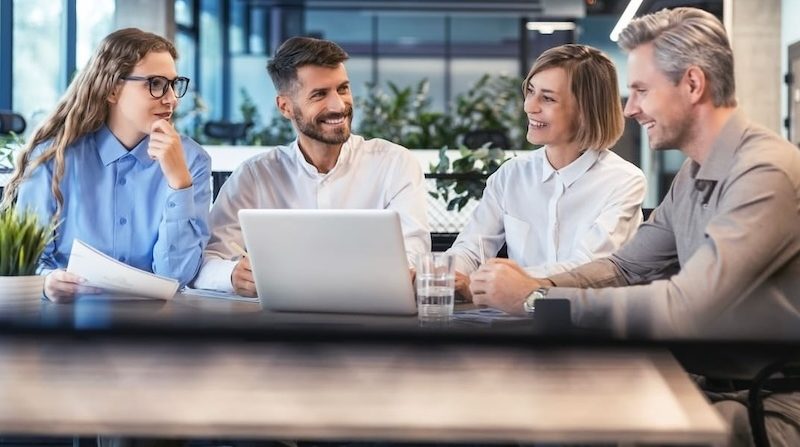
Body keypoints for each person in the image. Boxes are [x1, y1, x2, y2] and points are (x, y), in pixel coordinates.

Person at [470, 7, 800, 446]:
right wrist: (533, 283)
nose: (629, 109)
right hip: (706, 384)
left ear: (693, 84)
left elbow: (688, 307)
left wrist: (537, 298)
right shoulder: (694, 172)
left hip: (766, 403)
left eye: (642, 90)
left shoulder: (765, 172)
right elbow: (625, 268)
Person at [192, 37, 430, 296]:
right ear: (285, 107)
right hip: (281, 327)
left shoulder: (395, 164)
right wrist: (232, 275)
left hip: (372, 321)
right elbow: (206, 260)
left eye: (343, 89)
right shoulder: (255, 175)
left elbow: (413, 258)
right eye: (320, 94)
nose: (338, 105)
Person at [2, 28, 211, 302]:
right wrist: (48, 282)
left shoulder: (192, 161)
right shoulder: (54, 158)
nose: (171, 98)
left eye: (174, 84)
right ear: (112, 90)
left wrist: (179, 183)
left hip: (156, 327)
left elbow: (175, 276)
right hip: (67, 322)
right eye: (156, 83)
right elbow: (28, 263)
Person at [446, 44, 646, 300]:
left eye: (548, 98)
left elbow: (586, 270)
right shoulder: (511, 175)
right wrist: (446, 275)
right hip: (515, 324)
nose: (530, 106)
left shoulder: (623, 181)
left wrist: (504, 283)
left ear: (586, 110)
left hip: (588, 325)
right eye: (530, 91)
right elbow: (471, 250)